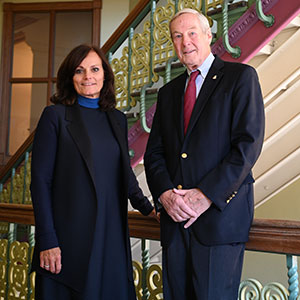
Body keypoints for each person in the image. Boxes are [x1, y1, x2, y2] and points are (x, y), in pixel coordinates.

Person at [144, 8, 265, 300]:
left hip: (219, 222)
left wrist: (206, 194)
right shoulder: (169, 92)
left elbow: (248, 145)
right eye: (177, 36)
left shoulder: (240, 77)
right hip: (175, 224)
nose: (185, 42)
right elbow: (155, 154)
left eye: (192, 33)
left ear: (209, 35)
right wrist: (164, 196)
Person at [30, 44, 156, 300]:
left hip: (111, 235)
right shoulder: (55, 116)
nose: (88, 76)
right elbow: (40, 182)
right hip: (67, 239)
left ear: (105, 75)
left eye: (94, 69)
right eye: (79, 70)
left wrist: (148, 208)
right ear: (70, 78)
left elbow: (124, 171)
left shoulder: (117, 119)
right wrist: (48, 239)